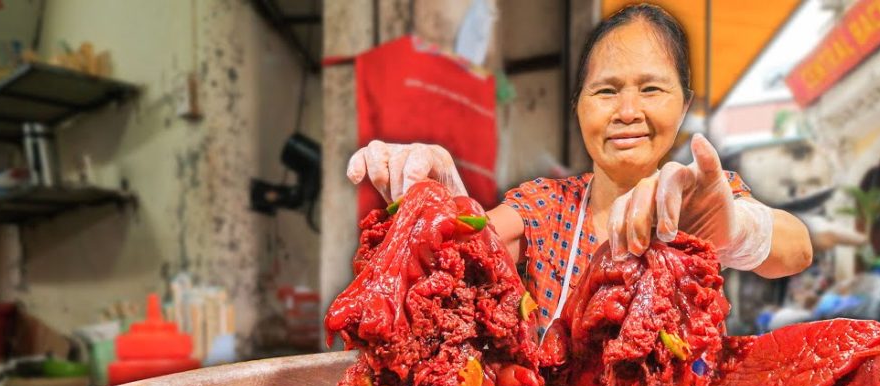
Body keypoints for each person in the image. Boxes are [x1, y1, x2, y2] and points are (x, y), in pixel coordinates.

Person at [346, 3, 813, 330]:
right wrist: (438, 211)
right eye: (606, 91)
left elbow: (796, 249)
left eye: (652, 90)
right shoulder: (548, 204)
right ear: (579, 108)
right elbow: (477, 249)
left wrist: (737, 232)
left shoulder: (702, 194)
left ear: (685, 105)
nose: (627, 111)